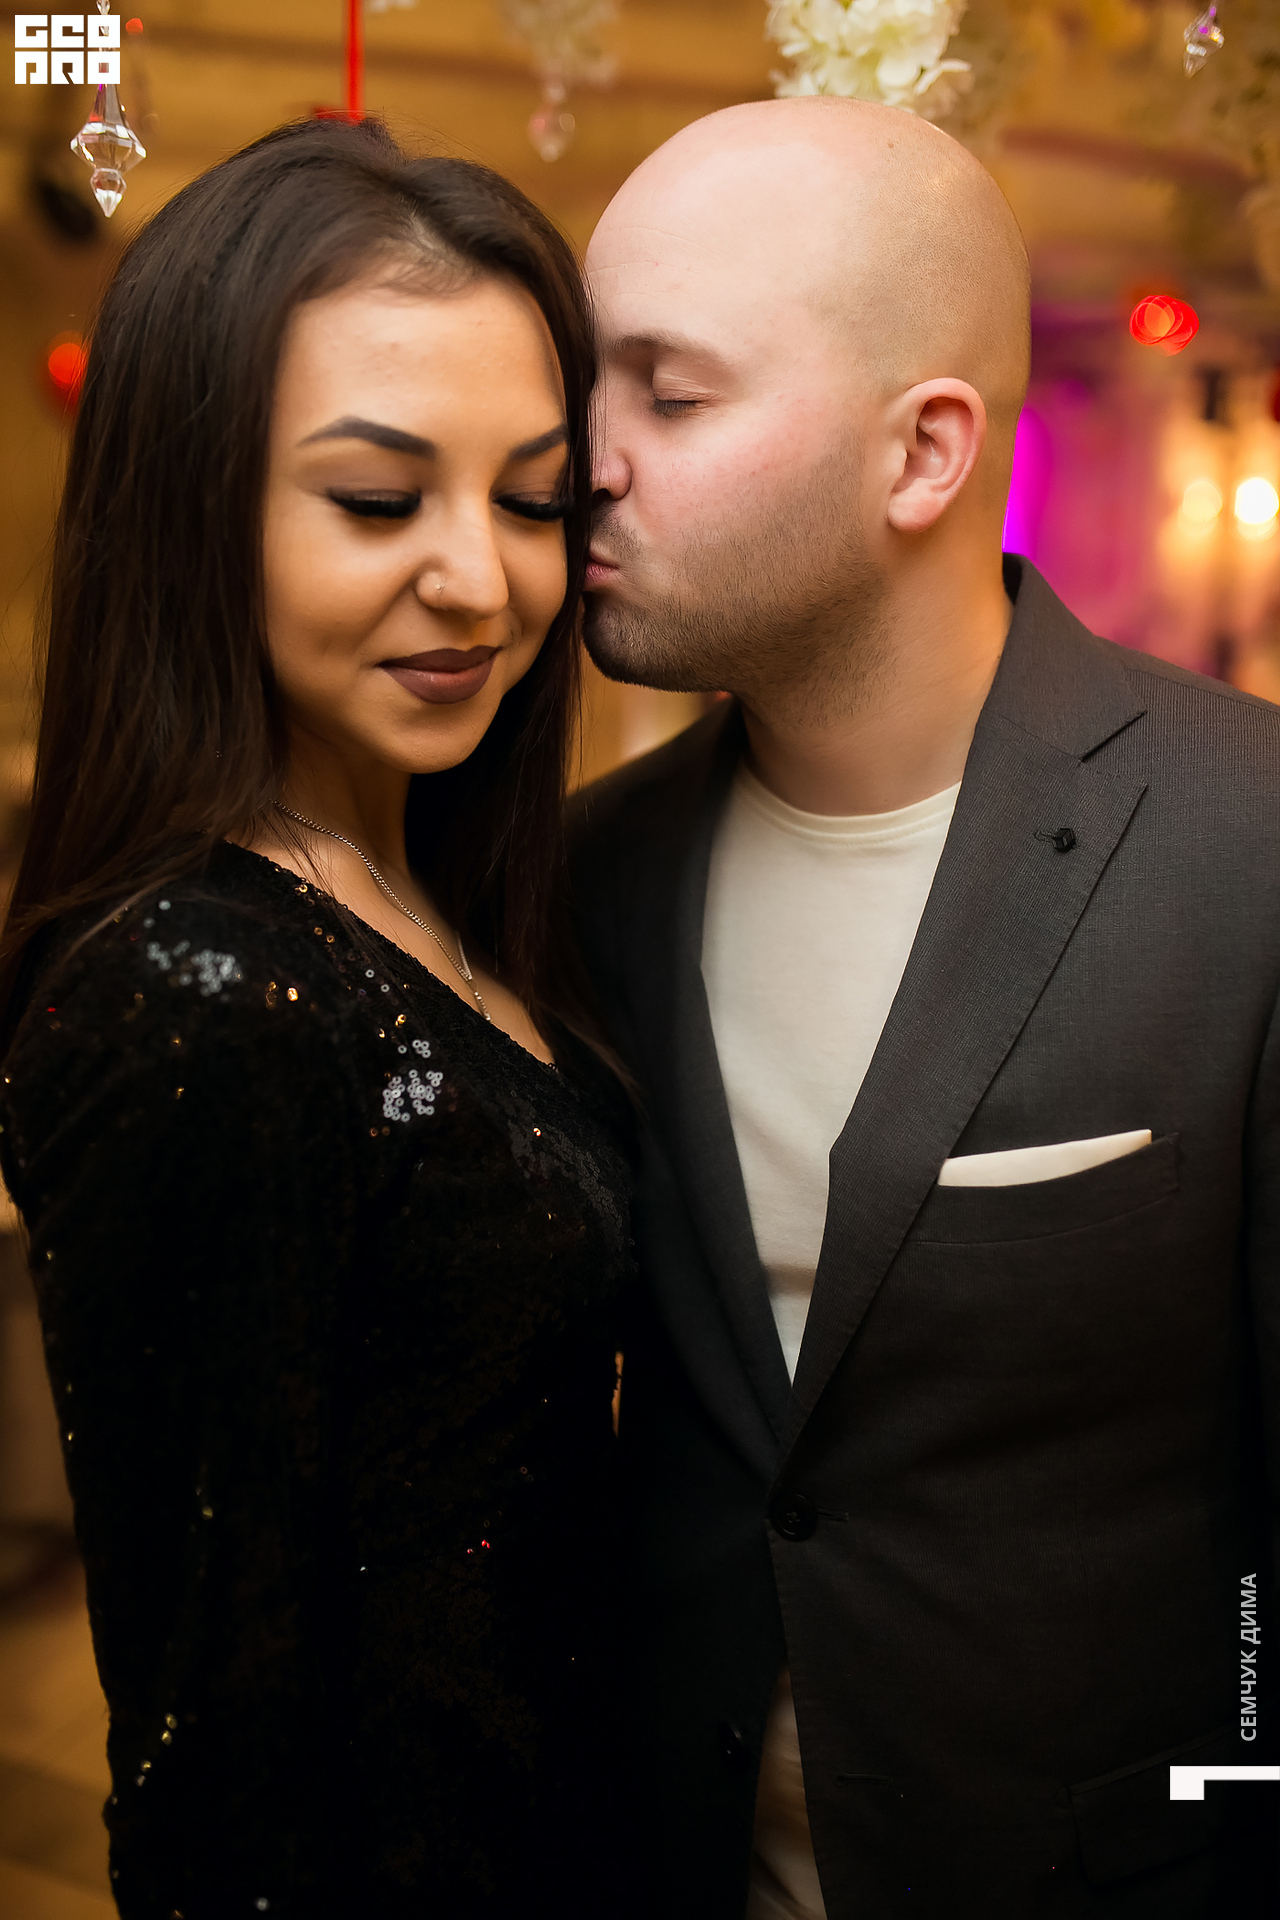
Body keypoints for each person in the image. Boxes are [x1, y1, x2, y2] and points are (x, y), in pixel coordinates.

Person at [570, 96, 1280, 1919]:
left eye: (671, 394)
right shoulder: (585, 875)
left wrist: (1241, 1798)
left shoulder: (1248, 842)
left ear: (926, 453)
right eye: (587, 384)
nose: (586, 460)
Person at [0, 119, 633, 1917]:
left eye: (532, 500)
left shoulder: (440, 885)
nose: (482, 579)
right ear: (191, 503)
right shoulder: (193, 985)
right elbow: (214, 1739)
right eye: (376, 499)